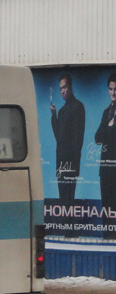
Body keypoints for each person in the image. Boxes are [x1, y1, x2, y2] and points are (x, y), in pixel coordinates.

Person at [50, 73, 85, 217]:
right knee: (63, 201)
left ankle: (70, 233)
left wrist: (73, 164)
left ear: (70, 86)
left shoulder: (78, 107)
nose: (63, 91)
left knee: (69, 200)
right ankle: (66, 232)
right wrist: (54, 116)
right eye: (60, 89)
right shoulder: (62, 111)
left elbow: (78, 140)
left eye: (64, 87)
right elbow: (59, 137)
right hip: (61, 162)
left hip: (70, 163)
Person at [94, 72, 116, 239]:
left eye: (115, 89)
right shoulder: (105, 112)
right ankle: (107, 237)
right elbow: (97, 138)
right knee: (106, 208)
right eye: (110, 89)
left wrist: (108, 130)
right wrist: (108, 128)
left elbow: (105, 136)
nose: (113, 93)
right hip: (105, 169)